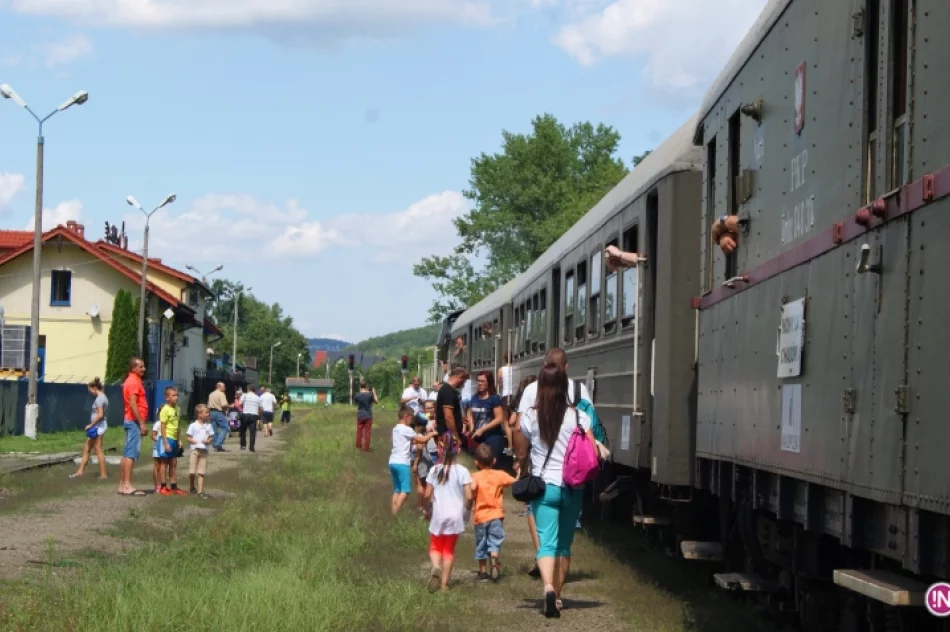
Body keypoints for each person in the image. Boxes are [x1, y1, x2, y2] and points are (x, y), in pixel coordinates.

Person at [513, 362, 595, 618]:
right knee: (564, 545)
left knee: (546, 543)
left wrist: (522, 463)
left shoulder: (531, 416)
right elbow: (591, 449)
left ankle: (547, 586)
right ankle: (557, 597)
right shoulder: (579, 417)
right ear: (564, 386)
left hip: (544, 486)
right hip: (573, 486)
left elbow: (521, 439)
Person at [423, 435, 472, 593]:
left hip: (438, 514)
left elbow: (427, 494)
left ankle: (436, 566)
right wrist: (467, 511)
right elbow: (469, 496)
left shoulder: (435, 470)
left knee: (435, 546)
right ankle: (444, 585)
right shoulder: (463, 471)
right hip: (455, 516)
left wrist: (427, 510)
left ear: (440, 449)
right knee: (448, 550)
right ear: (458, 450)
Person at [509, 374, 541, 578]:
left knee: (532, 509)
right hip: (558, 472)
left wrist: (520, 464)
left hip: (534, 467)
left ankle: (541, 555)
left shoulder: (526, 413)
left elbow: (517, 431)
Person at [471, 443, 516, 582]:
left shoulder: (474, 476)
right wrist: (519, 471)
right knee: (494, 541)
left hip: (480, 517)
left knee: (481, 544)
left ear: (476, 462)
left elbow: (471, 490)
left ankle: (483, 573)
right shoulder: (500, 475)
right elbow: (515, 482)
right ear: (494, 460)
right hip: (496, 516)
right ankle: (494, 559)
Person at [390, 405, 437, 515]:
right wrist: (432, 433)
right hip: (402, 463)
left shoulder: (395, 428)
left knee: (397, 490)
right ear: (406, 416)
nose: (412, 421)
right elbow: (423, 440)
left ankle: (392, 512)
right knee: (405, 491)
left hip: (392, 462)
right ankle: (395, 514)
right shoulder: (407, 429)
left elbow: (409, 441)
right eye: (411, 418)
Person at [118, 357, 148, 496]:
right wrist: (141, 422)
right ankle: (127, 485)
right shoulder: (133, 382)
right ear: (133, 368)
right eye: (141, 367)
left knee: (127, 453)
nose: (144, 369)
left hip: (130, 420)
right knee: (131, 453)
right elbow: (133, 403)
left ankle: (122, 485)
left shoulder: (132, 381)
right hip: (133, 421)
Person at [71, 377, 109, 480]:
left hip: (98, 426)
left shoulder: (100, 399)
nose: (90, 392)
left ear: (95, 388)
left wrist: (90, 425)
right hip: (97, 426)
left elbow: (100, 415)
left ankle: (103, 474)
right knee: (87, 448)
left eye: (90, 390)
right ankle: (80, 471)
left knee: (98, 449)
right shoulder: (102, 397)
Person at [466, 371, 506, 465]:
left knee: (491, 465)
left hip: (493, 437)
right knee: (479, 465)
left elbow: (500, 418)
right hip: (478, 438)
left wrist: (482, 429)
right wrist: (471, 427)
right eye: (478, 381)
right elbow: (469, 413)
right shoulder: (474, 397)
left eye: (482, 381)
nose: (479, 383)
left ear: (489, 382)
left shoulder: (494, 398)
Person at [157, 386, 186, 496]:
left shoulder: (178, 409)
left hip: (174, 439)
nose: (176, 397)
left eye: (176, 395)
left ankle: (174, 487)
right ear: (167, 398)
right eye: (173, 395)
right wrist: (165, 443)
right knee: (164, 462)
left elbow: (178, 426)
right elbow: (162, 427)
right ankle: (163, 487)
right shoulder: (165, 409)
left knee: (173, 463)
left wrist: (179, 440)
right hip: (166, 438)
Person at [435, 368, 467, 461]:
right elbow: (448, 417)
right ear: (460, 378)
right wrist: (456, 437)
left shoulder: (446, 390)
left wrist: (459, 419)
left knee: (446, 462)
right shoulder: (448, 391)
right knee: (448, 463)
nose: (464, 384)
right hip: (448, 436)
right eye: (464, 381)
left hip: (446, 435)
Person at [187, 404, 214, 498]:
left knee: (201, 472)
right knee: (192, 471)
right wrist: (193, 441)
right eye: (206, 412)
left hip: (204, 451)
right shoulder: (193, 425)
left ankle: (200, 492)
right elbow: (188, 437)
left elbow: (211, 437)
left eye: (208, 412)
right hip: (194, 450)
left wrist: (208, 441)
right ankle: (191, 486)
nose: (208, 414)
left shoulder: (208, 426)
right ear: (199, 414)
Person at [354, 380, 378, 452]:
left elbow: (356, 402)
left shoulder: (357, 395)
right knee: (367, 432)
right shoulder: (370, 394)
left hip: (360, 415)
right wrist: (374, 393)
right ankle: (366, 448)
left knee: (359, 432)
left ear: (360, 386)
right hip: (368, 415)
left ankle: (358, 446)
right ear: (366, 386)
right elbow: (376, 401)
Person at [208, 382, 229, 452]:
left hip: (212, 412)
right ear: (219, 387)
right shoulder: (221, 394)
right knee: (226, 428)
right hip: (219, 412)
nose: (225, 388)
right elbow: (224, 405)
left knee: (214, 430)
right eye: (224, 386)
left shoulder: (211, 394)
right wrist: (230, 406)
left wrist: (208, 414)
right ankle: (218, 443)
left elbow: (208, 405)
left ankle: (215, 445)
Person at [239, 384, 261, 452]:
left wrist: (244, 407)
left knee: (243, 430)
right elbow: (260, 407)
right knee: (252, 432)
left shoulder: (244, 395)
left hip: (245, 414)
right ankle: (251, 447)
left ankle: (243, 445)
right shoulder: (257, 397)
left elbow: (240, 404)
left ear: (248, 389)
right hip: (254, 415)